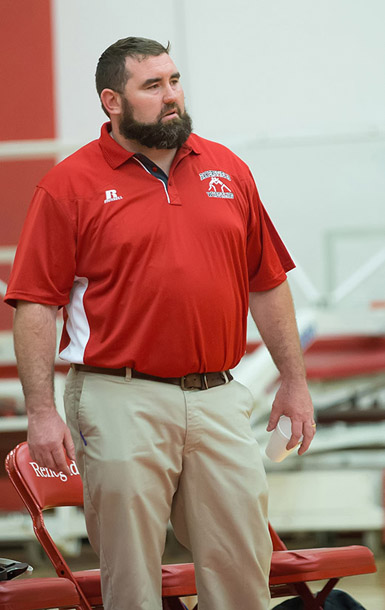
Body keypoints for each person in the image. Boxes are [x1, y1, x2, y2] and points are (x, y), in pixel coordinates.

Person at [5, 37, 315, 610]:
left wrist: (295, 382)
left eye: (173, 81)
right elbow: (34, 307)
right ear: (112, 101)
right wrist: (42, 413)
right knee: (132, 575)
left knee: (243, 565)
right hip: (119, 396)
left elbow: (267, 283)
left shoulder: (229, 169)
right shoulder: (68, 185)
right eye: (153, 86)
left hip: (220, 397)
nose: (171, 96)